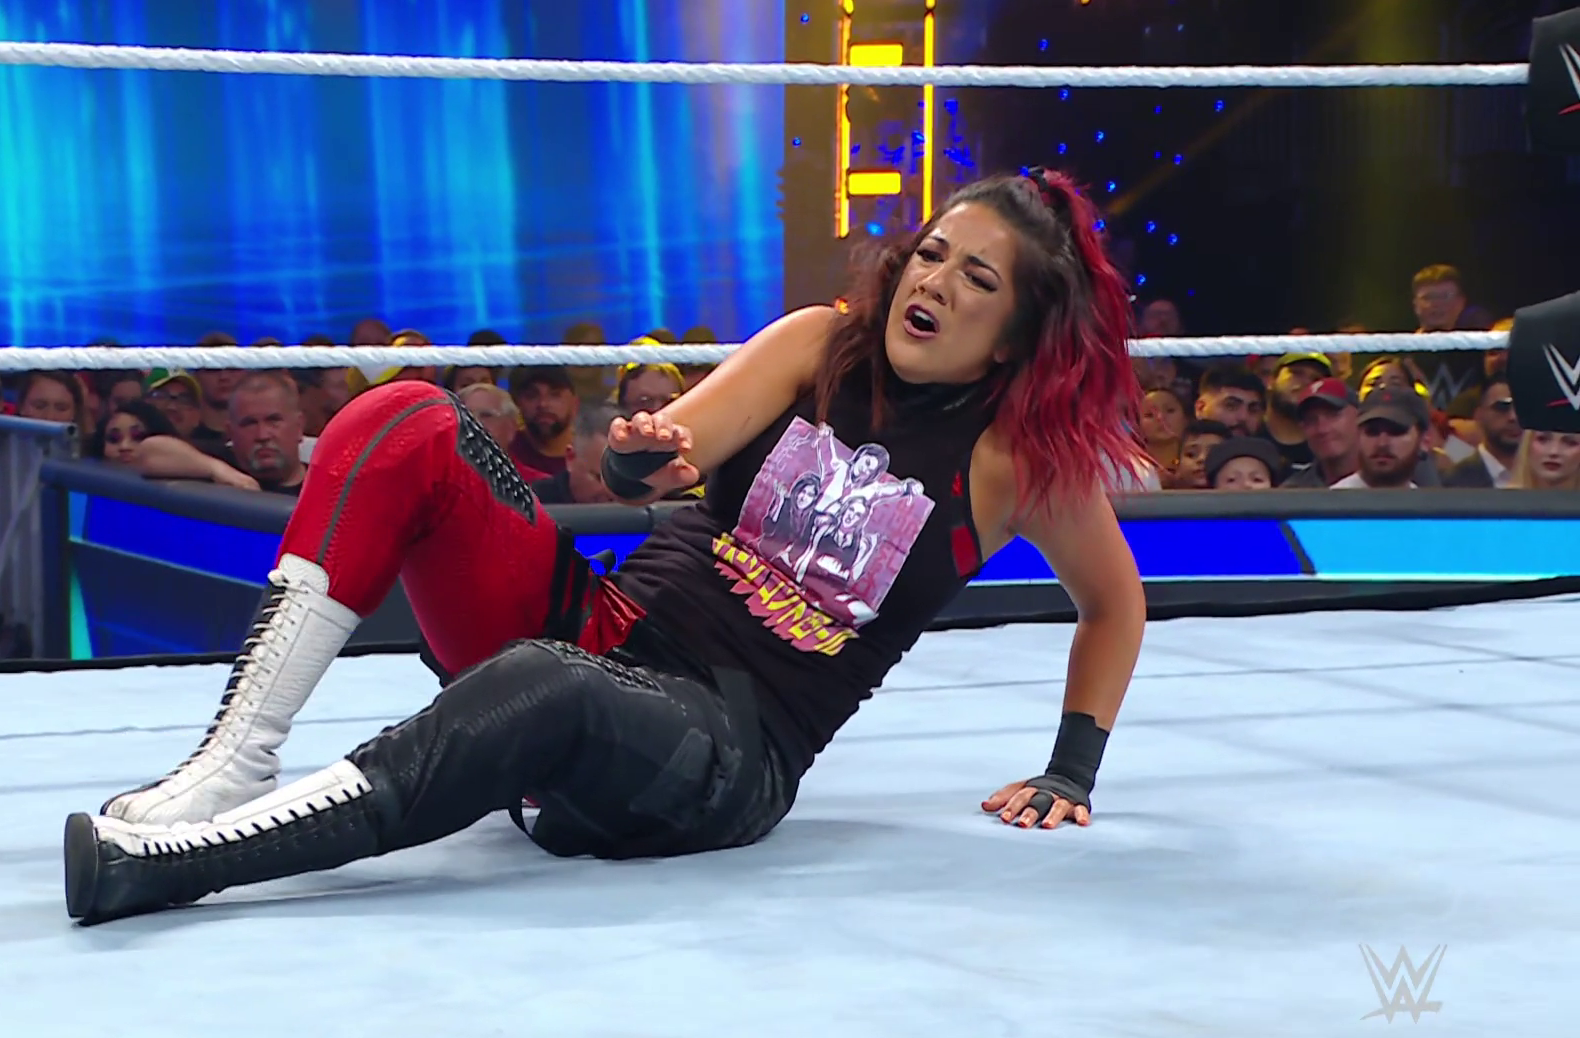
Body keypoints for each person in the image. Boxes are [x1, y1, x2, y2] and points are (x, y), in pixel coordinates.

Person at [62, 167, 1151, 925]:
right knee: (409, 417)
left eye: (977, 279)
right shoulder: (819, 344)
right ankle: (231, 763)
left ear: (1015, 335)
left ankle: (182, 864)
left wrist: (1070, 768)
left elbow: (1115, 604)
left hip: (722, 748)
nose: (934, 283)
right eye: (932, 254)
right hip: (602, 630)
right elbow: (669, 455)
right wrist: (638, 461)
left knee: (549, 685)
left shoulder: (1017, 463)